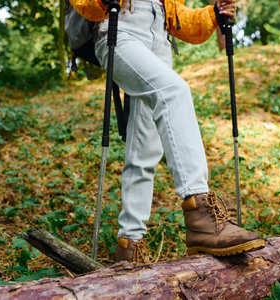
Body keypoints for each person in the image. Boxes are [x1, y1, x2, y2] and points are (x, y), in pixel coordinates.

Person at [70, 0, 265, 263]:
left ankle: (129, 245)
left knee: (145, 148)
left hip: (159, 37)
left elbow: (178, 16)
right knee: (173, 91)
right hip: (119, 29)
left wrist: (213, 14)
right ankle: (199, 212)